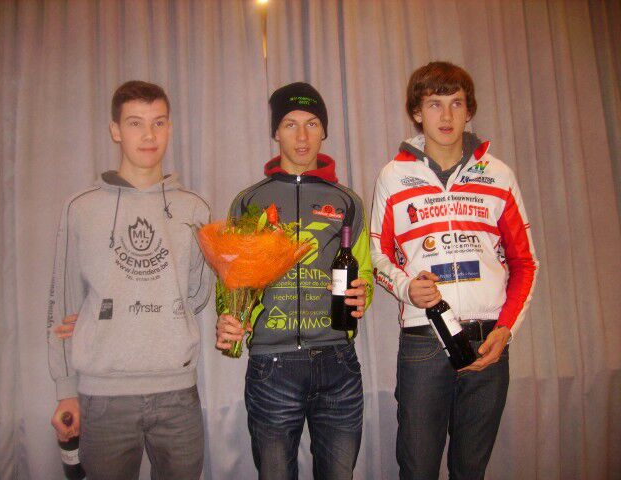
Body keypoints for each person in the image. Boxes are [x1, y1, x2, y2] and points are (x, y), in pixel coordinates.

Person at [370, 62, 538, 479]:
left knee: (470, 470)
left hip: (488, 342)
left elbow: (524, 263)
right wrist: (407, 288)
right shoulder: (393, 176)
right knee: (417, 469)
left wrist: (507, 330)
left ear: (469, 110)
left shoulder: (498, 174)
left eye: (456, 103)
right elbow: (377, 255)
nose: (446, 116)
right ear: (416, 112)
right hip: (424, 341)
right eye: (434, 104)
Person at [47, 80, 211, 480]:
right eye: (135, 123)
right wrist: (65, 391)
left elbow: (198, 294)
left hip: (178, 395)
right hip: (104, 398)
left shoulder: (195, 209)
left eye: (159, 122)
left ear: (170, 127)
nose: (149, 135)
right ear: (116, 130)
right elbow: (62, 302)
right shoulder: (80, 208)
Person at [215, 82, 374, 480]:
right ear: (276, 132)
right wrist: (228, 318)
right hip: (272, 365)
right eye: (290, 124)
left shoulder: (348, 201)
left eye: (312, 123)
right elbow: (233, 279)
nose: (302, 136)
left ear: (324, 131)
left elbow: (365, 271)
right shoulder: (249, 201)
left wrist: (364, 293)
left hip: (338, 362)